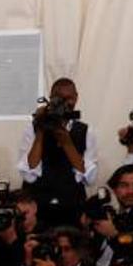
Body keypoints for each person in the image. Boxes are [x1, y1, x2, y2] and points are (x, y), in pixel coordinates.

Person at [18, 78, 99, 228]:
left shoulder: (87, 131)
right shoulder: (32, 128)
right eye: (59, 98)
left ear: (76, 98)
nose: (65, 103)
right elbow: (29, 173)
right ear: (50, 99)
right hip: (38, 204)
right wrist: (41, 129)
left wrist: (67, 141)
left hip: (71, 205)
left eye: (69, 98)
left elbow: (88, 177)